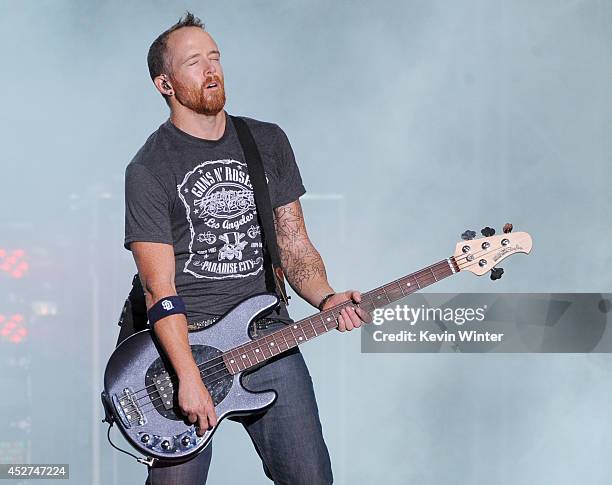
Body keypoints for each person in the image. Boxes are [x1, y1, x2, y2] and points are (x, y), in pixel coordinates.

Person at [124, 12, 369, 485]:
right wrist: (189, 379)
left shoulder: (266, 142)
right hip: (186, 352)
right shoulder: (149, 168)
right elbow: (159, 289)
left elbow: (295, 245)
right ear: (165, 84)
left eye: (214, 57)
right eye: (193, 62)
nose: (210, 69)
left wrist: (326, 296)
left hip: (268, 337)